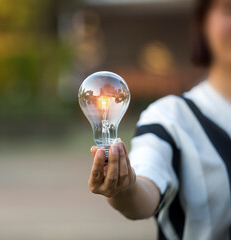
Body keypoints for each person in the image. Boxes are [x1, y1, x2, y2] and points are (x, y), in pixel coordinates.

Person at [88, 0, 231, 239]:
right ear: (203, 23)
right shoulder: (172, 119)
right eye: (229, 9)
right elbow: (146, 188)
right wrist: (125, 187)